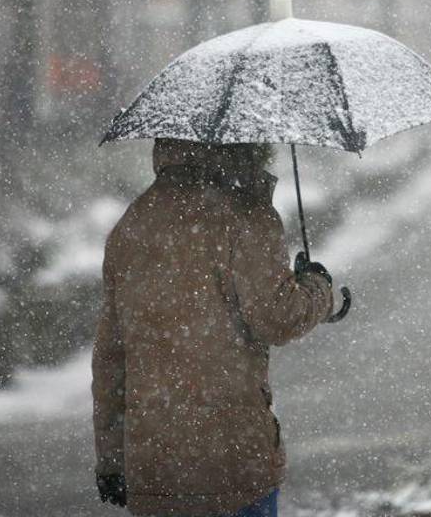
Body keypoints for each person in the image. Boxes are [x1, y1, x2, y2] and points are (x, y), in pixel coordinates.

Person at [92, 139, 334, 516]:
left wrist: (111, 458)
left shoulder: (134, 222)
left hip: (155, 467)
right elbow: (279, 318)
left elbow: (111, 357)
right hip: (232, 462)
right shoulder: (247, 215)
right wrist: (318, 287)